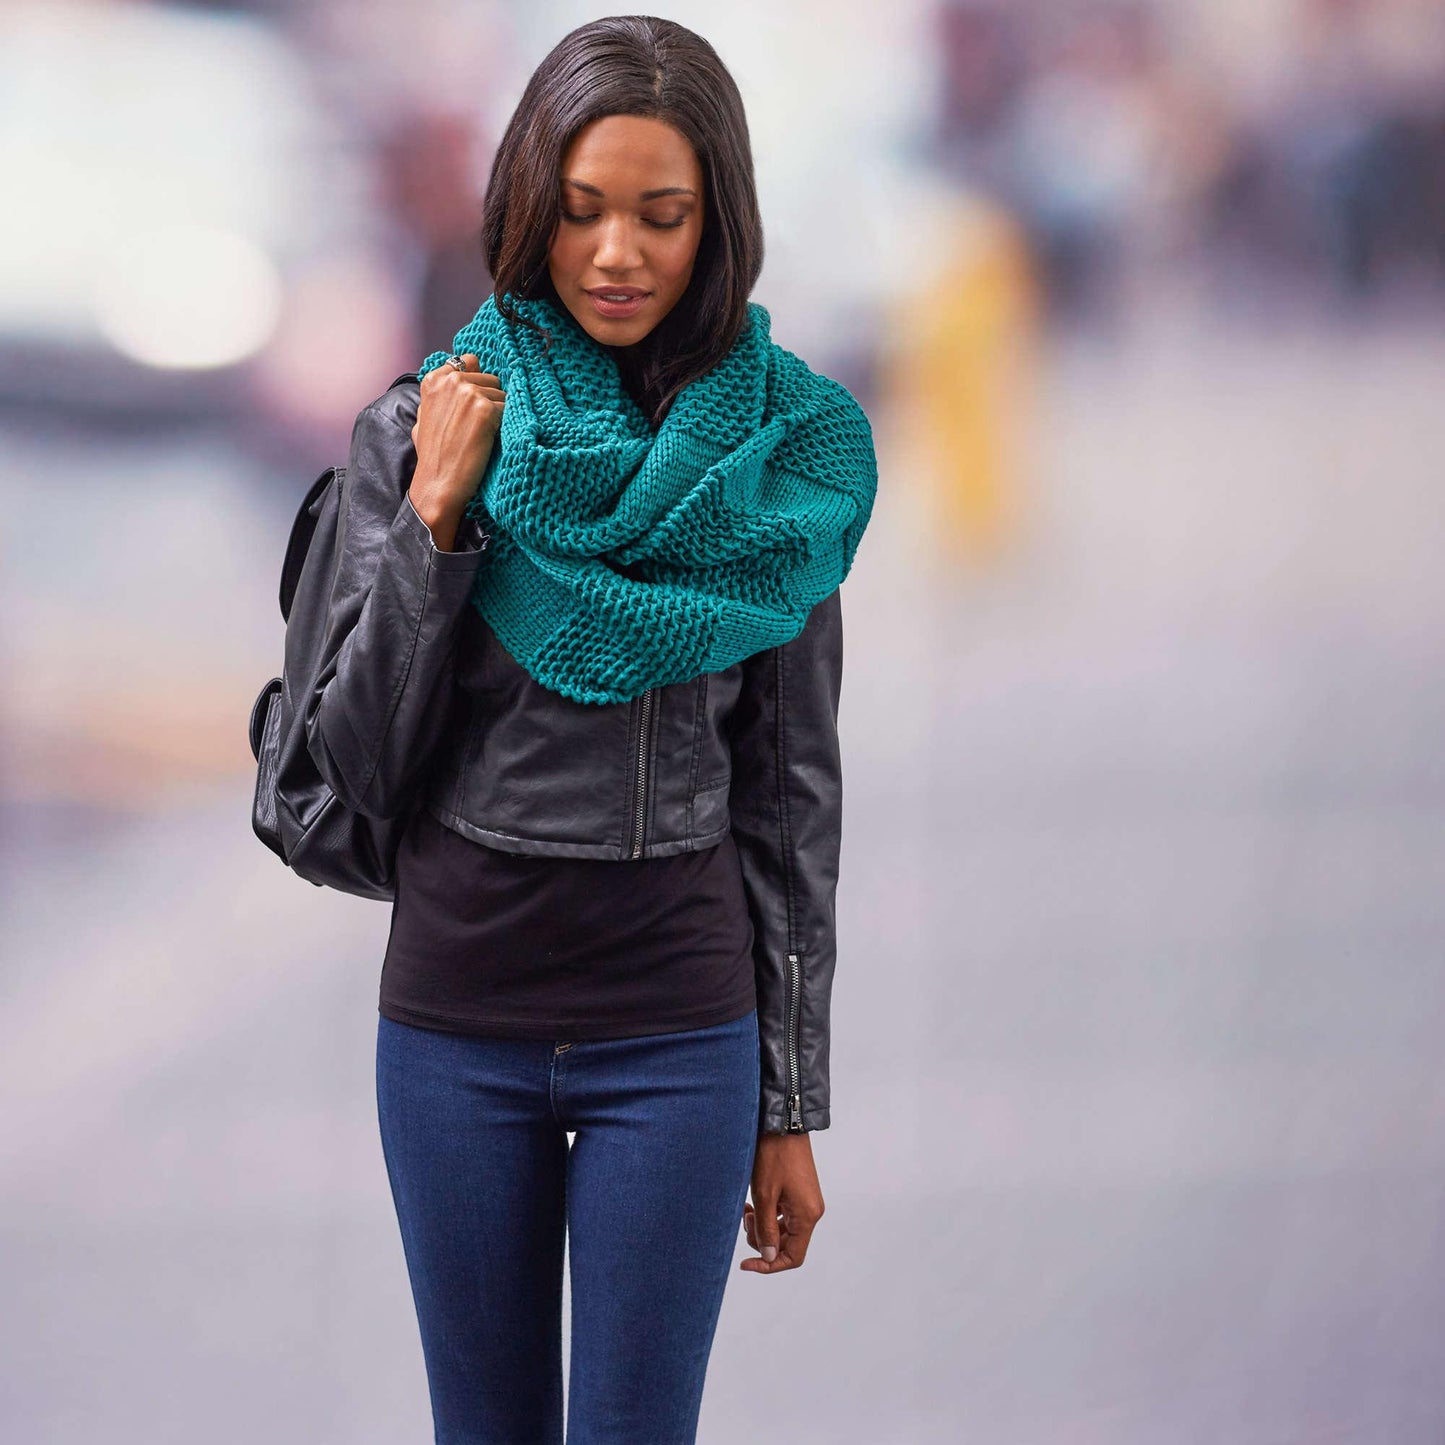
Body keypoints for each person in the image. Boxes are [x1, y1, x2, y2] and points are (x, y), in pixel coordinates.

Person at [305, 16, 877, 1443]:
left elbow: (790, 796)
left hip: (676, 1033)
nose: (616, 252)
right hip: (455, 1030)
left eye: (659, 215)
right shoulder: (430, 426)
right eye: (579, 213)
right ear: (524, 211)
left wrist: (789, 1095)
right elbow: (350, 767)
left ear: (717, 222)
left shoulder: (776, 467)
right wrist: (439, 524)